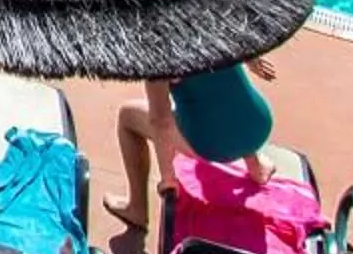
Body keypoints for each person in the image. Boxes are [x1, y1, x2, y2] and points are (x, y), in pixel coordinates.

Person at [107, 60, 277, 225]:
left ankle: (136, 209)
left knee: (127, 116)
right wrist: (252, 60)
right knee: (226, 91)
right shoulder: (218, 37)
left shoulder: (159, 57)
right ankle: (256, 166)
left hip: (212, 144)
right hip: (259, 123)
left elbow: (161, 122)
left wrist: (168, 178)